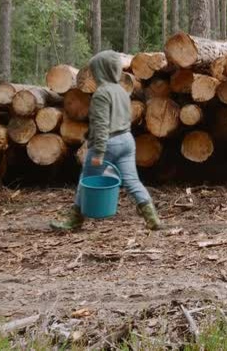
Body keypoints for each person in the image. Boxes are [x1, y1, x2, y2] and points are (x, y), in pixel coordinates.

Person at [50, 50, 164, 231]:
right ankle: (152, 218)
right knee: (132, 181)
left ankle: (74, 220)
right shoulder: (122, 91)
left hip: (108, 144)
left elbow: (102, 124)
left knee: (85, 179)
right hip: (127, 141)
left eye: (95, 70)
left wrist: (99, 152)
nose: (94, 74)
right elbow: (121, 119)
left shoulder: (101, 94)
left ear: (102, 71)